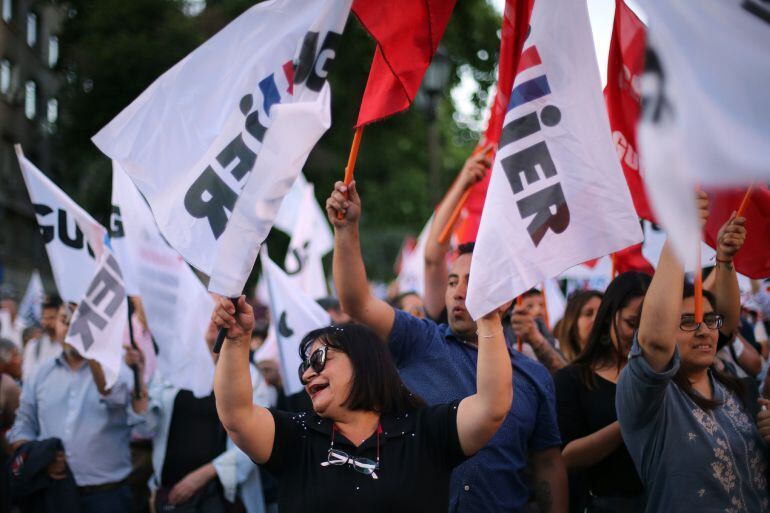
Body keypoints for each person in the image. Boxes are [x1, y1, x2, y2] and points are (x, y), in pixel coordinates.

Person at [325, 180, 568, 513]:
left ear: (507, 296)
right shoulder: (419, 338)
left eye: (473, 280)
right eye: (453, 281)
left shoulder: (535, 377)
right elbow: (356, 302)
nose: (457, 291)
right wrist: (346, 230)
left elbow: (548, 465)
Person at [212, 294, 512, 513]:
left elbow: (491, 406)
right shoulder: (297, 436)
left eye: (318, 359)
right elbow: (237, 415)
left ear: (363, 361)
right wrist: (237, 342)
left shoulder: (427, 431)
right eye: (304, 366)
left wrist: (488, 318)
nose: (307, 374)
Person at [617, 214, 770, 513]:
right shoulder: (648, 398)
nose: (703, 330)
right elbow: (656, 342)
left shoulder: (738, 390)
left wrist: (724, 260)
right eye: (687, 321)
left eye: (709, 320)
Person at [6, 303, 147, 513]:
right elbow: (22, 426)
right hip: (52, 493)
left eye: (81, 323)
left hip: (106, 497)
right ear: (56, 325)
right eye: (65, 320)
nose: (73, 328)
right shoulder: (40, 374)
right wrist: (40, 459)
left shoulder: (119, 371)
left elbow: (125, 407)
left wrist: (93, 354)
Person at [128, 316, 274, 513]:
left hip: (220, 498)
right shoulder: (171, 369)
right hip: (171, 495)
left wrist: (202, 476)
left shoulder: (247, 374)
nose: (213, 320)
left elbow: (256, 439)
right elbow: (145, 426)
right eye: (205, 311)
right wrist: (139, 377)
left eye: (219, 313)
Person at [553, 272, 651, 513]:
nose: (642, 335)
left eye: (652, 324)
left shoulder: (667, 375)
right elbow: (565, 458)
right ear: (609, 317)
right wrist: (627, 422)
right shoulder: (572, 379)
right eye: (632, 323)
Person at [553, 290, 603, 362]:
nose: (597, 318)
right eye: (588, 313)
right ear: (572, 322)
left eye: (602, 312)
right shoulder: (558, 365)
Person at [22, 295, 63, 381]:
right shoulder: (33, 346)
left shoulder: (71, 348)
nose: (47, 323)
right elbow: (27, 377)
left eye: (52, 318)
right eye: (45, 318)